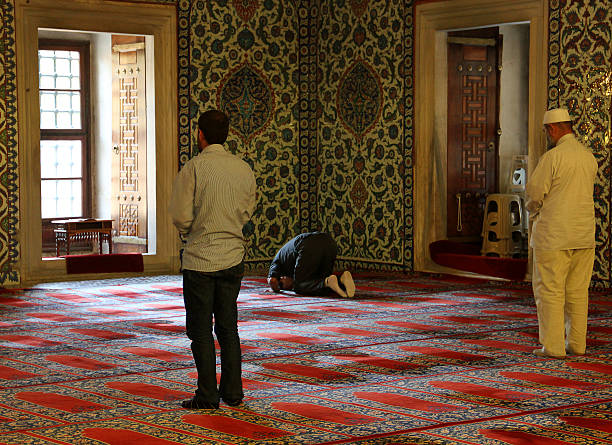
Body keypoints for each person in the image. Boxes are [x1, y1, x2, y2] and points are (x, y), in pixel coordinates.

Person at [169, 110, 256, 409]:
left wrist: (193, 231)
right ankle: (232, 392)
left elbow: (180, 216)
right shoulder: (243, 169)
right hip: (232, 258)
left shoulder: (193, 168)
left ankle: (207, 395)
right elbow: (246, 213)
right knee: (228, 328)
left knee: (201, 331)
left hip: (200, 261)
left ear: (200, 134)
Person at [526, 107, 598, 359]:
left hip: (554, 236)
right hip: (583, 235)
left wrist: (531, 210)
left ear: (552, 129)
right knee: (578, 292)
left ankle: (553, 347)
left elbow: (534, 195)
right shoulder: (588, 157)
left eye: (547, 131)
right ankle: (577, 345)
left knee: (550, 291)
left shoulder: (552, 158)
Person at [267, 232, 355, 298]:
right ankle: (341, 279)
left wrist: (277, 288)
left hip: (308, 246)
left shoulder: (277, 263)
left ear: (282, 277)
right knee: (318, 283)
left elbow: (272, 281)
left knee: (299, 287)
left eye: (282, 284)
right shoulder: (288, 260)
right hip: (329, 242)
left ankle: (327, 282)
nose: (285, 287)